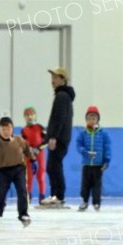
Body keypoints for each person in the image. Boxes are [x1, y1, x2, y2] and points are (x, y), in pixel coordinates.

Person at [0, 117, 37, 228]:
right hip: (3, 171)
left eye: (8, 129)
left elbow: (27, 149)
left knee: (22, 191)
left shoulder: (19, 140)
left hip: (18, 169)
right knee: (0, 193)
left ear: (12, 129)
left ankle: (23, 214)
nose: (6, 132)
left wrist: (33, 160)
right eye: (3, 129)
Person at [42, 67, 75, 206]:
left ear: (62, 79)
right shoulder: (62, 96)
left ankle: (58, 196)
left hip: (59, 139)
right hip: (59, 137)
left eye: (55, 78)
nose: (52, 81)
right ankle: (56, 195)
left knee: (54, 166)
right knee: (52, 166)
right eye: (52, 78)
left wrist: (53, 137)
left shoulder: (62, 96)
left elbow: (60, 118)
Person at [76, 106, 111, 211]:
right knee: (85, 185)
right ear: (86, 119)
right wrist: (84, 152)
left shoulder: (103, 133)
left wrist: (106, 160)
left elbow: (107, 147)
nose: (92, 120)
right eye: (89, 118)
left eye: (94, 118)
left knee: (97, 185)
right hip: (86, 164)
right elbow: (79, 145)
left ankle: (96, 203)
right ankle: (84, 201)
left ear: (97, 119)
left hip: (98, 165)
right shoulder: (83, 133)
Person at [21, 106, 47, 204]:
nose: (29, 117)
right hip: (28, 156)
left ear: (35, 115)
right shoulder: (24, 130)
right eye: (27, 115)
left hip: (39, 155)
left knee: (40, 176)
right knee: (29, 176)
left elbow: (46, 141)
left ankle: (42, 196)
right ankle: (28, 196)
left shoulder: (40, 127)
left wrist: (38, 149)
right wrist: (28, 151)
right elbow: (23, 143)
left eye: (31, 114)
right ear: (24, 117)